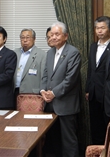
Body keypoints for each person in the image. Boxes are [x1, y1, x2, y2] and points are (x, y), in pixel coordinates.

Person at [40, 21, 81, 157]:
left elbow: (70, 79)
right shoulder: (50, 53)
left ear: (65, 36)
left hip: (66, 105)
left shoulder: (73, 53)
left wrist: (53, 93)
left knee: (68, 142)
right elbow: (45, 75)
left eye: (57, 34)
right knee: (52, 141)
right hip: (50, 104)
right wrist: (43, 91)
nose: (53, 37)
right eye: (51, 35)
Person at [85, 16, 110, 145]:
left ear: (109, 29)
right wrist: (87, 89)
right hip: (93, 93)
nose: (99, 31)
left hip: (108, 94)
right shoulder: (93, 47)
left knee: (108, 127)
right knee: (95, 126)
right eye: (97, 28)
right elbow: (91, 70)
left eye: (102, 28)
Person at [13, 28, 46, 103]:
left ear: (34, 39)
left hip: (32, 93)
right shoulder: (14, 53)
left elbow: (44, 77)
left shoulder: (42, 54)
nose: (25, 40)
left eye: (28, 37)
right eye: (22, 37)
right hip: (14, 91)